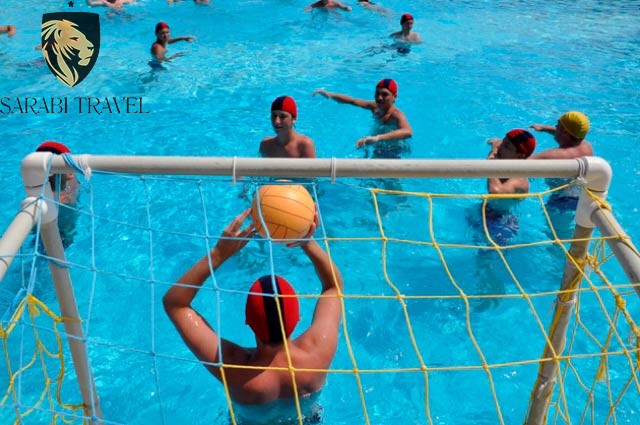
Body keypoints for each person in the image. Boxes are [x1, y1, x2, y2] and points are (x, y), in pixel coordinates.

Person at [163, 209, 343, 418]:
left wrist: (219, 254)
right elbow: (333, 287)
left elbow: (175, 304)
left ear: (248, 322)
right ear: (297, 319)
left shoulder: (234, 368)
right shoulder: (318, 351)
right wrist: (307, 241)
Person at [472, 129, 536, 310]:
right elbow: (496, 148)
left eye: (506, 146)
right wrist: (494, 146)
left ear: (520, 156)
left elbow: (495, 192)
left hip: (502, 225)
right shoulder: (505, 160)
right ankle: (483, 290)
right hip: (488, 216)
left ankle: (493, 292)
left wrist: (491, 164)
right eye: (503, 143)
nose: (501, 148)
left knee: (488, 263)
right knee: (480, 258)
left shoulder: (519, 180)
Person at [313, 79, 412, 157]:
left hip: (393, 148)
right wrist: (329, 95)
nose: (379, 97)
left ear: (395, 97)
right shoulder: (375, 107)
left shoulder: (396, 115)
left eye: (384, 94)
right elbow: (352, 101)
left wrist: (377, 138)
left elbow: (408, 132)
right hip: (377, 143)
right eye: (377, 93)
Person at [35, 141, 80, 248]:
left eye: (70, 163)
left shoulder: (71, 179)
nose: (71, 170)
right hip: (58, 230)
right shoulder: (47, 200)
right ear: (49, 171)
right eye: (66, 166)